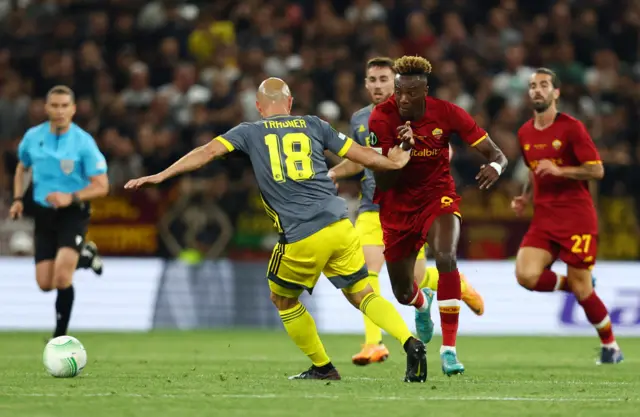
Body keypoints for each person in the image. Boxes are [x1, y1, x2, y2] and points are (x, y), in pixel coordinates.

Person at [125, 77, 429, 382]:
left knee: (282, 298)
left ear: (259, 107)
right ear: (291, 102)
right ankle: (410, 343)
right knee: (361, 292)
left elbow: (206, 153)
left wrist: (162, 175)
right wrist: (396, 161)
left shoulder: (249, 131)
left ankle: (323, 367)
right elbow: (362, 155)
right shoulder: (315, 125)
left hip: (302, 232)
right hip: (340, 225)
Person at [328, 57, 485, 366]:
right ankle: (373, 343)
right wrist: (333, 174)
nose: (377, 86)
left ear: (395, 81)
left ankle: (454, 285)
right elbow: (360, 159)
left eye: (383, 79)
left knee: (414, 280)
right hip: (372, 206)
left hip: (415, 206)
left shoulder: (418, 112)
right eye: (372, 80)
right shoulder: (362, 119)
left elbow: (444, 144)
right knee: (364, 271)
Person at [368, 56, 508, 376]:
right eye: (399, 92)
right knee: (403, 293)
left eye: (410, 93)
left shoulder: (447, 112)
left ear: (425, 91)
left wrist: (496, 167)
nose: (402, 99)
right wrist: (400, 152)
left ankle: (449, 350)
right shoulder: (381, 118)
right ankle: (422, 303)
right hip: (397, 207)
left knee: (446, 257)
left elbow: (496, 153)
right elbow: (383, 180)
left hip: (437, 197)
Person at [511, 68, 623, 364]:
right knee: (525, 275)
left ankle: (611, 346)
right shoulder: (524, 132)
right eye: (533, 86)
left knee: (584, 289)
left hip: (576, 218)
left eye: (544, 85)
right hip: (544, 219)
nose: (537, 90)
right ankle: (570, 284)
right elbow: (534, 170)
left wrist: (562, 171)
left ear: (556, 93)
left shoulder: (572, 128)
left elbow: (596, 169)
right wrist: (525, 196)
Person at [9, 85, 108, 340]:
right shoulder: (32, 137)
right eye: (55, 105)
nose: (60, 111)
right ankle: (85, 255)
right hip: (44, 214)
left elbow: (102, 186)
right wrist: (18, 199)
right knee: (45, 284)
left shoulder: (84, 142)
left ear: (73, 109)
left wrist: (71, 197)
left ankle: (59, 337)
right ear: (46, 108)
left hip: (72, 213)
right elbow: (22, 168)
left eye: (65, 106)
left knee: (63, 279)